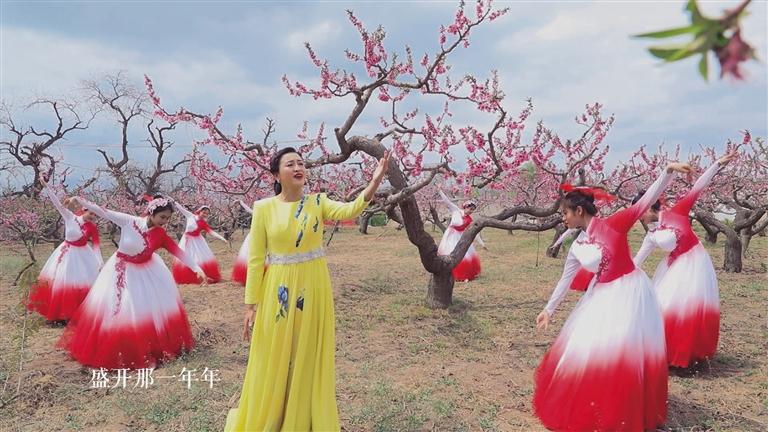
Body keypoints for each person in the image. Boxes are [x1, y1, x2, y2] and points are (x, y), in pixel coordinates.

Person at [225, 147, 390, 431]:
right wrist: (250, 305)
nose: (298, 168)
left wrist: (374, 182)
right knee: (276, 351)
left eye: (301, 163)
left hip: (314, 285)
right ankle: (274, 416)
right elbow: (255, 260)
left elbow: (350, 209)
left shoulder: (318, 202)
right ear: (276, 174)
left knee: (307, 350)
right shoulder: (264, 208)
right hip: (278, 287)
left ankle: (304, 418)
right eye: (290, 164)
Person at [533, 162, 692, 431]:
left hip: (630, 294)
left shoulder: (615, 224)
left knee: (622, 352)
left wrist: (668, 172)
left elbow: (646, 201)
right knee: (591, 350)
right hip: (600, 297)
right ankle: (594, 403)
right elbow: (565, 279)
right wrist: (549, 310)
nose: (563, 218)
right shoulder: (577, 245)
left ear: (579, 211)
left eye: (565, 213)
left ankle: (625, 407)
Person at [57, 196, 207, 369]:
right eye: (162, 217)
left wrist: (196, 268)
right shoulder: (129, 221)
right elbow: (103, 211)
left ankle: (149, 349)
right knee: (119, 309)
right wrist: (78, 200)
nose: (164, 221)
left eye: (167, 218)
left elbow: (177, 251)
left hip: (147, 273)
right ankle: (117, 349)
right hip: (120, 270)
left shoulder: (160, 234)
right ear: (151, 213)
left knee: (144, 311)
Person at [633, 152, 736, 368]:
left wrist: (717, 164)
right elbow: (637, 261)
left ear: (651, 206)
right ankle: (664, 352)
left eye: (641, 211)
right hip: (674, 268)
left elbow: (697, 187)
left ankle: (687, 355)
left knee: (687, 309)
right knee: (664, 306)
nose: (639, 216)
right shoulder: (651, 234)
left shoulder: (678, 212)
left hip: (695, 264)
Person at [27, 176, 102, 321]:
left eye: (95, 214)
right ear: (84, 211)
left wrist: (99, 262)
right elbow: (57, 203)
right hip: (67, 253)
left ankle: (79, 313)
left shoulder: (92, 227)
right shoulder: (70, 217)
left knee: (81, 282)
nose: (92, 216)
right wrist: (46, 186)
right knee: (61, 281)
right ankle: (60, 314)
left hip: (83, 256)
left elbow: (96, 246)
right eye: (91, 213)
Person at [436, 189, 487, 281]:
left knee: (463, 255)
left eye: (473, 210)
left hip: (460, 236)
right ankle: (447, 273)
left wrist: (482, 244)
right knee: (449, 253)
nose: (471, 211)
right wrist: (440, 191)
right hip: (451, 236)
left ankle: (462, 274)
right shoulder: (456, 211)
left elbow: (475, 233)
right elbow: (447, 201)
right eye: (470, 209)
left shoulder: (469, 220)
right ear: (465, 207)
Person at [172, 202, 229, 284]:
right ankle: (187, 275)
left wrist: (222, 238)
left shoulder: (203, 223)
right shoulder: (190, 216)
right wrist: (173, 202)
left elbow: (211, 232)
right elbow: (181, 209)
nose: (205, 214)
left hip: (197, 241)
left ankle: (201, 276)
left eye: (207, 214)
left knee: (198, 258)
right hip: (186, 240)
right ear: (200, 211)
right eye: (204, 212)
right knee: (186, 256)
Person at [231, 199, 254, 286]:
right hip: (254, 236)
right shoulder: (258, 213)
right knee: (249, 255)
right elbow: (248, 209)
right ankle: (248, 276)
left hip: (263, 236)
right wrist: (241, 202)